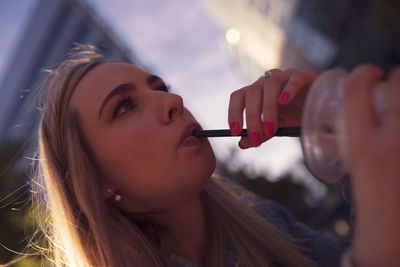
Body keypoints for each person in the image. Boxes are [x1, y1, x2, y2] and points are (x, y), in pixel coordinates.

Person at [32, 43, 400, 267]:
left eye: (161, 88)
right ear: (95, 180)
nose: (173, 101)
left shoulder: (265, 223)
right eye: (124, 107)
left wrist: (335, 129)